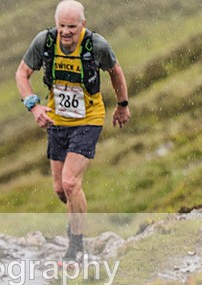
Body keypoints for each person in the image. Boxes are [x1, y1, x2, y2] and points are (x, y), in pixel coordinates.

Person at [15, 0, 130, 262]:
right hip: (58, 121)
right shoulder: (45, 42)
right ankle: (75, 222)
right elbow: (22, 74)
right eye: (62, 26)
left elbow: (116, 71)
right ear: (56, 25)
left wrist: (122, 105)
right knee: (60, 189)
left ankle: (76, 246)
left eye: (72, 26)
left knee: (70, 182)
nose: (66, 32)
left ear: (83, 25)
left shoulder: (96, 45)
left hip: (88, 119)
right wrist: (34, 107)